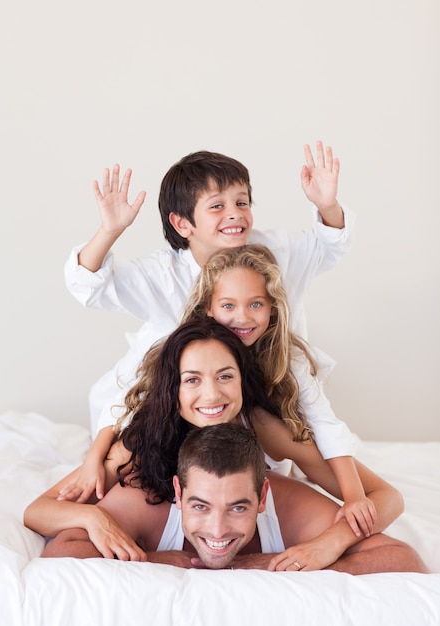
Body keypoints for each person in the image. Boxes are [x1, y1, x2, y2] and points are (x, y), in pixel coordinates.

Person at [64, 143, 354, 496]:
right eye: (217, 206)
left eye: (242, 202)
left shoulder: (274, 253)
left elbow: (328, 246)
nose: (234, 214)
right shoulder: (164, 275)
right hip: (185, 399)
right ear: (182, 223)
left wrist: (326, 206)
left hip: (255, 393)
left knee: (270, 453)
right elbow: (88, 286)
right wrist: (109, 231)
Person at [25, 320, 405, 565]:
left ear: (242, 380)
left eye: (225, 376)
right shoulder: (144, 441)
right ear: (173, 389)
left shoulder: (265, 427)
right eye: (192, 380)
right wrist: (92, 516)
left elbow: (386, 496)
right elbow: (38, 511)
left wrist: (333, 542)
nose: (211, 395)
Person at [63, 245, 373, 536]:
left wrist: (353, 499)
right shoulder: (181, 356)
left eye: (256, 304)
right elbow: (127, 404)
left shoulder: (269, 407)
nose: (242, 317)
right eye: (228, 305)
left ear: (272, 309)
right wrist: (94, 459)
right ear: (208, 309)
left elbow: (324, 422)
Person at [31, 424, 428, 574]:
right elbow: (63, 552)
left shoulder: (288, 505)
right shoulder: (146, 499)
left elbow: (401, 558)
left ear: (261, 498)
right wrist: (151, 560)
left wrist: (275, 562)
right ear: (178, 493)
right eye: (200, 506)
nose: (217, 529)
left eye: (238, 507)